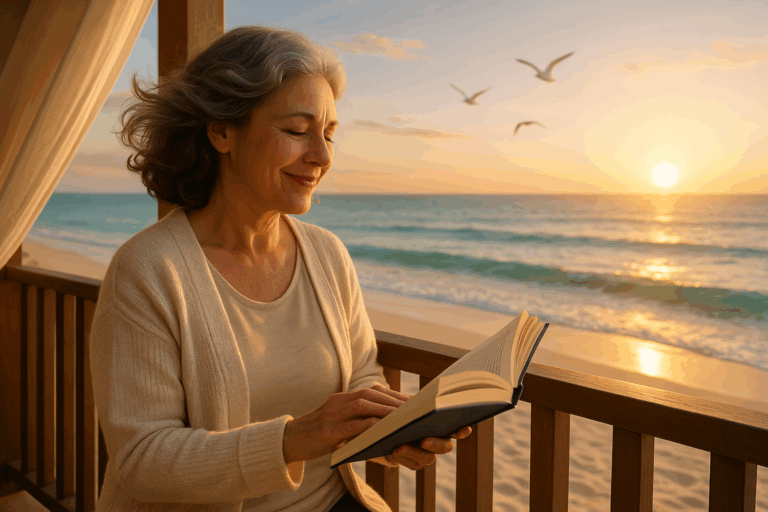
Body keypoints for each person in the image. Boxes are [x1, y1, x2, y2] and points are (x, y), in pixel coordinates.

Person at [91, 25, 471, 512]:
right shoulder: (148, 270)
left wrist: (391, 429)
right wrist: (295, 439)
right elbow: (141, 461)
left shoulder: (327, 254)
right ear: (222, 131)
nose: (322, 156)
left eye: (329, 134)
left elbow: (361, 375)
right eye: (296, 131)